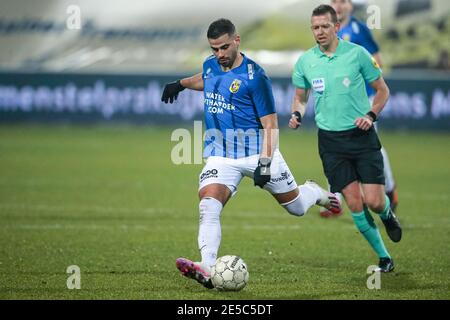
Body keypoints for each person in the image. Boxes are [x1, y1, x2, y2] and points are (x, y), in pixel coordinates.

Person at [161, 18, 341, 288]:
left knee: (297, 208)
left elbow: (271, 125)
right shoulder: (211, 65)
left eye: (224, 47)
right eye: (214, 49)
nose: (220, 54)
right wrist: (181, 83)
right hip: (221, 154)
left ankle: (315, 192)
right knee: (208, 205)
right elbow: (208, 79)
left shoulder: (255, 77)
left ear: (237, 40)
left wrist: (265, 164)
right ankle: (208, 267)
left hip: (258, 152)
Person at [289, 5, 402, 272]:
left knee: (374, 201)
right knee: (354, 202)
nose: (319, 32)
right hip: (330, 142)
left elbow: (383, 90)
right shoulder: (306, 61)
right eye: (315, 28)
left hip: (362, 136)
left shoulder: (358, 54)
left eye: (324, 27)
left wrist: (371, 115)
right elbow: (300, 95)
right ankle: (384, 257)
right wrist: (297, 112)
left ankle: (387, 214)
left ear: (336, 27)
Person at [315, 0, 398, 218]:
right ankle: (336, 200)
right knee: (333, 144)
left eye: (342, 1)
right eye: (334, 1)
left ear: (351, 6)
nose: (338, 5)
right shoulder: (325, 31)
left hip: (363, 103)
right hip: (337, 102)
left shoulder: (359, 29)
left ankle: (388, 188)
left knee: (373, 148)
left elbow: (376, 62)